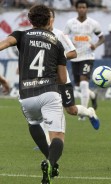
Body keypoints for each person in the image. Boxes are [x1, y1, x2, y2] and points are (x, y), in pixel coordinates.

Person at [0, 4, 66, 184]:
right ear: (49, 20)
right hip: (49, 92)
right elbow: (62, 78)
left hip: (26, 95)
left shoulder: (21, 35)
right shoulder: (57, 43)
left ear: (30, 20)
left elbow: (4, 44)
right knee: (57, 136)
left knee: (33, 122)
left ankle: (50, 162)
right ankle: (50, 162)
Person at [50, 9, 100, 130]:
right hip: (45, 77)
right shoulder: (34, 34)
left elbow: (72, 53)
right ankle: (47, 141)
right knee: (47, 109)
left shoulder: (59, 34)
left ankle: (88, 113)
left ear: (53, 19)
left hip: (66, 73)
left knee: (71, 109)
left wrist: (55, 59)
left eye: (49, 16)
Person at [64, 0, 105, 118]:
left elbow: (102, 38)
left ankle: (83, 114)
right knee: (79, 85)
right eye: (80, 7)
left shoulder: (93, 23)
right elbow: (64, 37)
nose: (82, 9)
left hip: (88, 56)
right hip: (75, 57)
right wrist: (69, 43)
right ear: (76, 9)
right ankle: (92, 95)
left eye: (84, 7)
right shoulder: (70, 23)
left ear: (87, 9)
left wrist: (95, 45)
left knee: (83, 83)